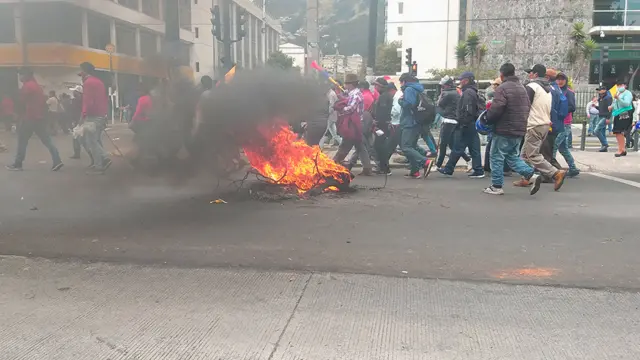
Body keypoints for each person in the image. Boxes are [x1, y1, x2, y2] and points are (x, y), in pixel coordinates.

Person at [483, 63, 542, 195]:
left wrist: (488, 119)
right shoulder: (522, 88)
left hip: (504, 129)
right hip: (519, 128)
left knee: (496, 157)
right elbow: (527, 106)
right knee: (512, 156)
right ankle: (530, 174)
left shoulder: (502, 88)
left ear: (502, 74)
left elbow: (497, 109)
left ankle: (496, 186)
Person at [513, 64, 566, 191]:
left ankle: (555, 173)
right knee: (524, 155)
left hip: (534, 124)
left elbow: (524, 106)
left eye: (530, 73)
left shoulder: (532, 86)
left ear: (536, 74)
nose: (529, 75)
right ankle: (527, 178)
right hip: (544, 124)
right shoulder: (548, 89)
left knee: (532, 155)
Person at [6, 68, 63, 171]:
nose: (20, 77)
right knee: (47, 140)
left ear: (27, 75)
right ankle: (57, 160)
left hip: (29, 118)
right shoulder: (37, 86)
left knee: (22, 141)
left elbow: (21, 101)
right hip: (39, 117)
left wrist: (17, 114)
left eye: (21, 75)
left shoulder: (28, 86)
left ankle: (18, 164)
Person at [437, 71, 484, 178]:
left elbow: (467, 110)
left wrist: (462, 122)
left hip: (466, 124)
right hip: (472, 123)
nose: (459, 81)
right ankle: (478, 170)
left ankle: (449, 169)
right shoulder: (473, 91)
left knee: (458, 147)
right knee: (474, 147)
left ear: (466, 80)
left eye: (461, 79)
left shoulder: (467, 92)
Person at [333, 74, 372, 176]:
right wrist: (339, 91)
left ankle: (334, 163)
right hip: (355, 123)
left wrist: (340, 109)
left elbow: (350, 108)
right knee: (360, 145)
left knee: (346, 144)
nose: (345, 85)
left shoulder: (356, 95)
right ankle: (367, 168)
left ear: (351, 84)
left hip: (353, 124)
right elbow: (345, 95)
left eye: (346, 83)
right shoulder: (352, 93)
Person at [398, 72, 433, 179]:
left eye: (401, 82)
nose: (400, 85)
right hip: (417, 122)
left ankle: (425, 161)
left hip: (410, 122)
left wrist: (400, 101)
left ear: (404, 81)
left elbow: (409, 104)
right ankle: (415, 171)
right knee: (411, 147)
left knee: (406, 147)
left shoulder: (409, 89)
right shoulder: (419, 89)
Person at [78, 62, 110, 174]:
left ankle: (101, 162)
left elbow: (88, 101)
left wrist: (83, 115)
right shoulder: (99, 82)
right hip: (101, 114)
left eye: (81, 70)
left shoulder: (88, 83)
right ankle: (100, 162)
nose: (80, 73)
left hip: (93, 115)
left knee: (91, 141)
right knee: (96, 140)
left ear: (85, 71)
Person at [436, 76, 471, 171]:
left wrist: (440, 95)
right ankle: (468, 159)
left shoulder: (446, 94)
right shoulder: (457, 92)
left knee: (443, 144)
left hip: (448, 120)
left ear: (446, 85)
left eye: (443, 86)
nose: (442, 87)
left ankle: (438, 164)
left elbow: (439, 104)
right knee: (452, 145)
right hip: (456, 120)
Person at [552, 72, 579, 177]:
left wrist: (561, 110)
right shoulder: (555, 91)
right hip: (558, 122)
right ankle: (573, 168)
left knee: (554, 146)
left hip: (565, 122)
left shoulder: (568, 92)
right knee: (563, 148)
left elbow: (572, 107)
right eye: (558, 79)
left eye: (562, 79)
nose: (560, 81)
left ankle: (552, 170)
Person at [372, 77, 395, 175]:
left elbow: (383, 112)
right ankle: (383, 167)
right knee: (380, 146)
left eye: (376, 85)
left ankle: (384, 168)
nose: (375, 87)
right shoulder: (385, 95)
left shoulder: (384, 97)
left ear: (380, 86)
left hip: (382, 125)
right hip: (384, 124)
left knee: (380, 146)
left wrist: (377, 123)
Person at [610, 79, 633, 157]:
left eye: (621, 85)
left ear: (625, 86)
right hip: (618, 113)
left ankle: (621, 149)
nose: (619, 87)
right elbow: (615, 103)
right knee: (617, 132)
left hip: (625, 113)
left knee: (619, 131)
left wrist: (618, 98)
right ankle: (622, 149)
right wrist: (611, 106)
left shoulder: (628, 93)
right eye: (618, 85)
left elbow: (626, 104)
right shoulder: (618, 93)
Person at [318, 83, 342, 148]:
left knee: (323, 132)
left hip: (330, 116)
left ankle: (320, 147)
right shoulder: (330, 93)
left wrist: (326, 114)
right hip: (332, 116)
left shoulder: (331, 94)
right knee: (334, 133)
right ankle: (342, 143)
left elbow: (331, 106)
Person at [594, 86, 612, 152]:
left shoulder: (608, 98)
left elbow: (610, 108)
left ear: (604, 90)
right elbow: (602, 108)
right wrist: (596, 107)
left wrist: (608, 118)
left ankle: (605, 144)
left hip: (605, 116)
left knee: (596, 130)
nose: (599, 91)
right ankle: (604, 147)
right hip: (600, 115)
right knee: (602, 132)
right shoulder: (600, 98)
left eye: (600, 90)